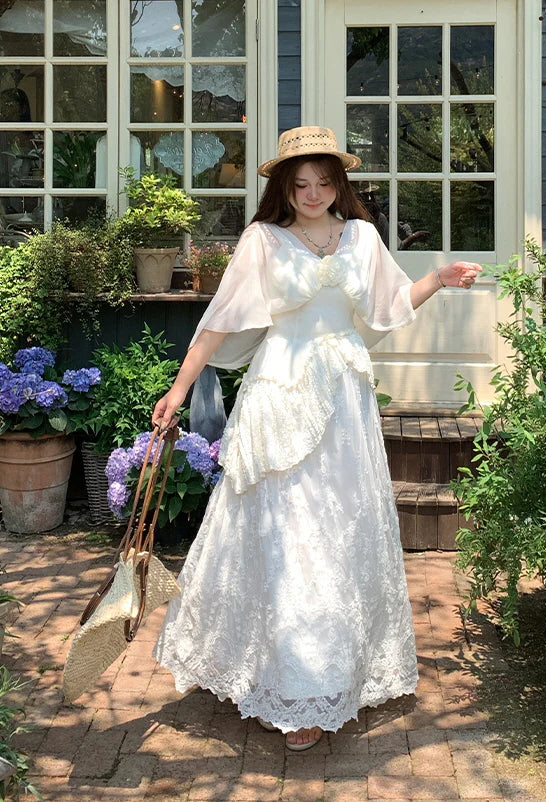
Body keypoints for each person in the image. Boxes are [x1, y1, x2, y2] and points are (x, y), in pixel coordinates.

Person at [152, 126, 481, 751]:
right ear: (284, 187)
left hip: (345, 404)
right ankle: (290, 682)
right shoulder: (263, 242)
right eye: (299, 184)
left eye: (323, 182)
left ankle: (334, 675)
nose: (311, 193)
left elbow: (386, 309)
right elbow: (218, 325)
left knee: (341, 530)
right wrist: (177, 389)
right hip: (280, 393)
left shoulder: (361, 237)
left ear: (339, 184)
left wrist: (437, 279)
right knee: (287, 533)